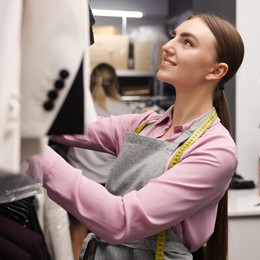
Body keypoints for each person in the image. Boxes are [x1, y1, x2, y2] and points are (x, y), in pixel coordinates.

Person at [27, 13, 244, 260]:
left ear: (216, 70)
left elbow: (121, 220)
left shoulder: (216, 151)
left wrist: (31, 150)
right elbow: (70, 126)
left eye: (187, 42)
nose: (167, 46)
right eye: (174, 37)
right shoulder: (146, 125)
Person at [66, 63, 131, 260]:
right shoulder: (124, 109)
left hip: (80, 180)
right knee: (107, 240)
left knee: (77, 235)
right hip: (110, 184)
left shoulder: (78, 106)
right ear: (115, 83)